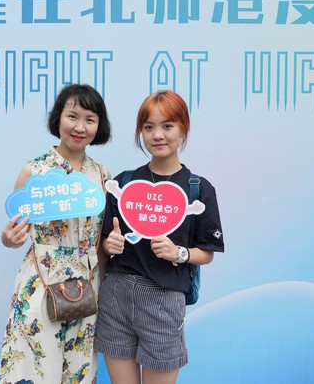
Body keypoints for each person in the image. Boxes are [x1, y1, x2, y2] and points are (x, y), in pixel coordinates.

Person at [95, 90, 224, 384]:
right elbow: (103, 241)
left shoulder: (198, 189)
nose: (157, 135)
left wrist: (179, 252)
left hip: (163, 298)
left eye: (167, 126)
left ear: (183, 129)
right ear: (140, 132)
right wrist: (108, 244)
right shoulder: (123, 183)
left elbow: (207, 252)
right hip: (116, 295)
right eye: (148, 127)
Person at [0, 83, 112, 384]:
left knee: (78, 371)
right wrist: (8, 239)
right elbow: (15, 231)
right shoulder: (33, 171)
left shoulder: (102, 176)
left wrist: (105, 286)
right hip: (41, 283)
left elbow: (102, 241)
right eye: (72, 116)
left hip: (87, 287)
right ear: (58, 118)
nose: (80, 127)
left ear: (99, 126)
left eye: (90, 119)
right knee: (35, 368)